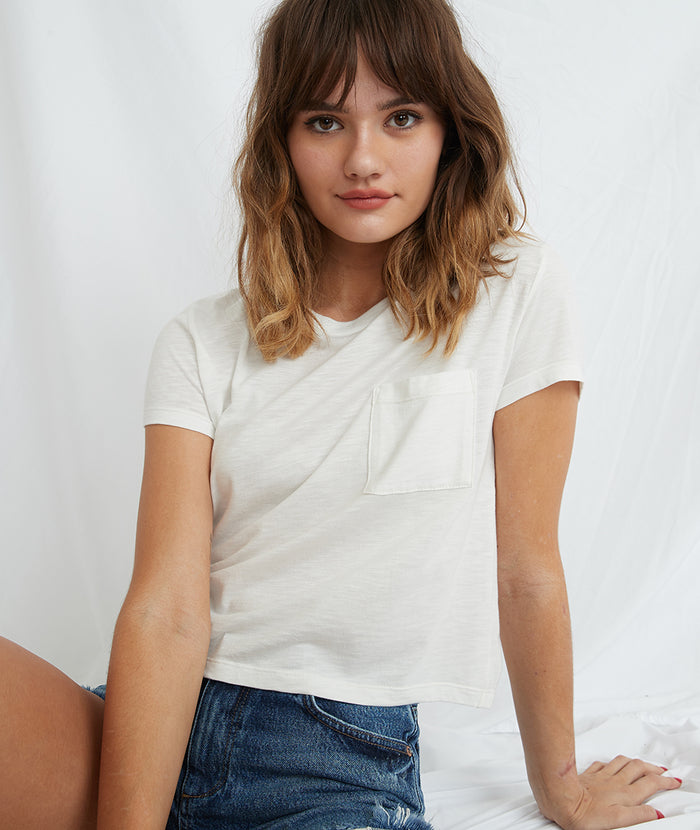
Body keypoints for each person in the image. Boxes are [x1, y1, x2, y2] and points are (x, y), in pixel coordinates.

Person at [0, 0, 682, 828]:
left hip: (335, 766)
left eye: (401, 117)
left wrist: (562, 789)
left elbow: (526, 569)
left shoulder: (512, 293)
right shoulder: (200, 341)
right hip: (153, 730)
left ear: (449, 130)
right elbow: (165, 610)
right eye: (325, 121)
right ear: (282, 142)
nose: (363, 158)